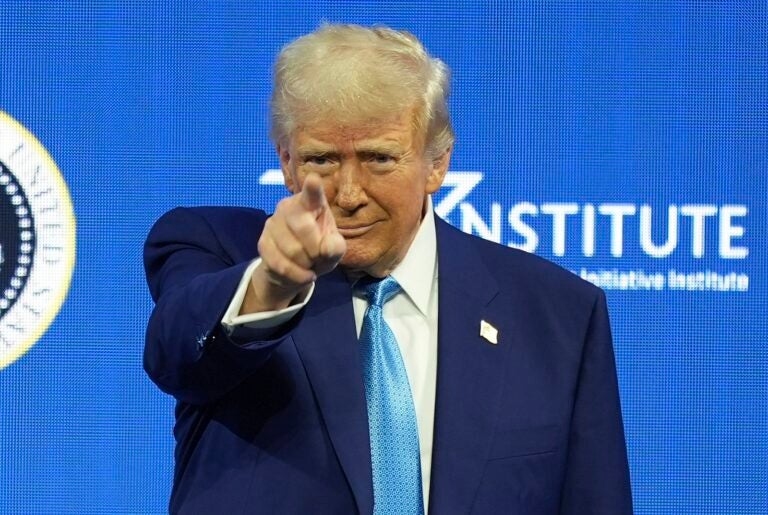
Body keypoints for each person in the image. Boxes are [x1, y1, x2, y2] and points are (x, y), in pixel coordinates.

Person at [144, 24, 632, 514]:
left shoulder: (557, 314)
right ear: (287, 162)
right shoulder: (215, 247)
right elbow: (177, 351)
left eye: (379, 158)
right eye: (322, 159)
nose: (349, 194)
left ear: (437, 164)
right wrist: (274, 282)